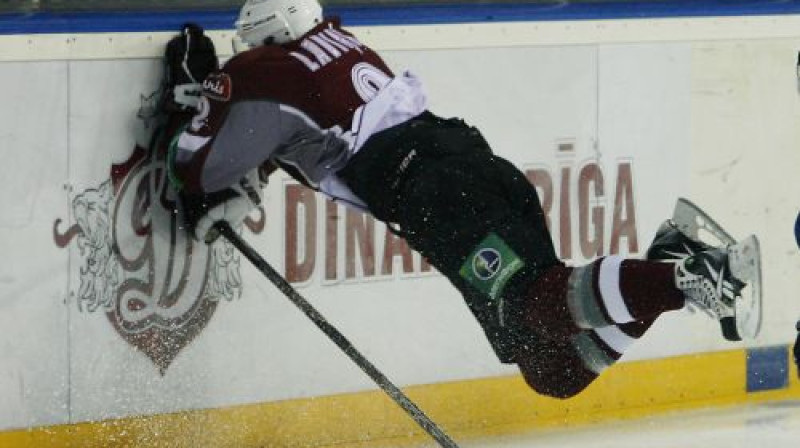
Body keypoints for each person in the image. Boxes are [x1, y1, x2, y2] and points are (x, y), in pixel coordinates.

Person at [165, 0, 751, 399]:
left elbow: (195, 167)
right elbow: (302, 131)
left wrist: (202, 101)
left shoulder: (272, 68)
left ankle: (685, 277)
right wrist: (251, 174)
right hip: (466, 162)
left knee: (531, 303)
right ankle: (669, 259)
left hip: (430, 193)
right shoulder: (337, 45)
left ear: (266, 35)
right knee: (549, 368)